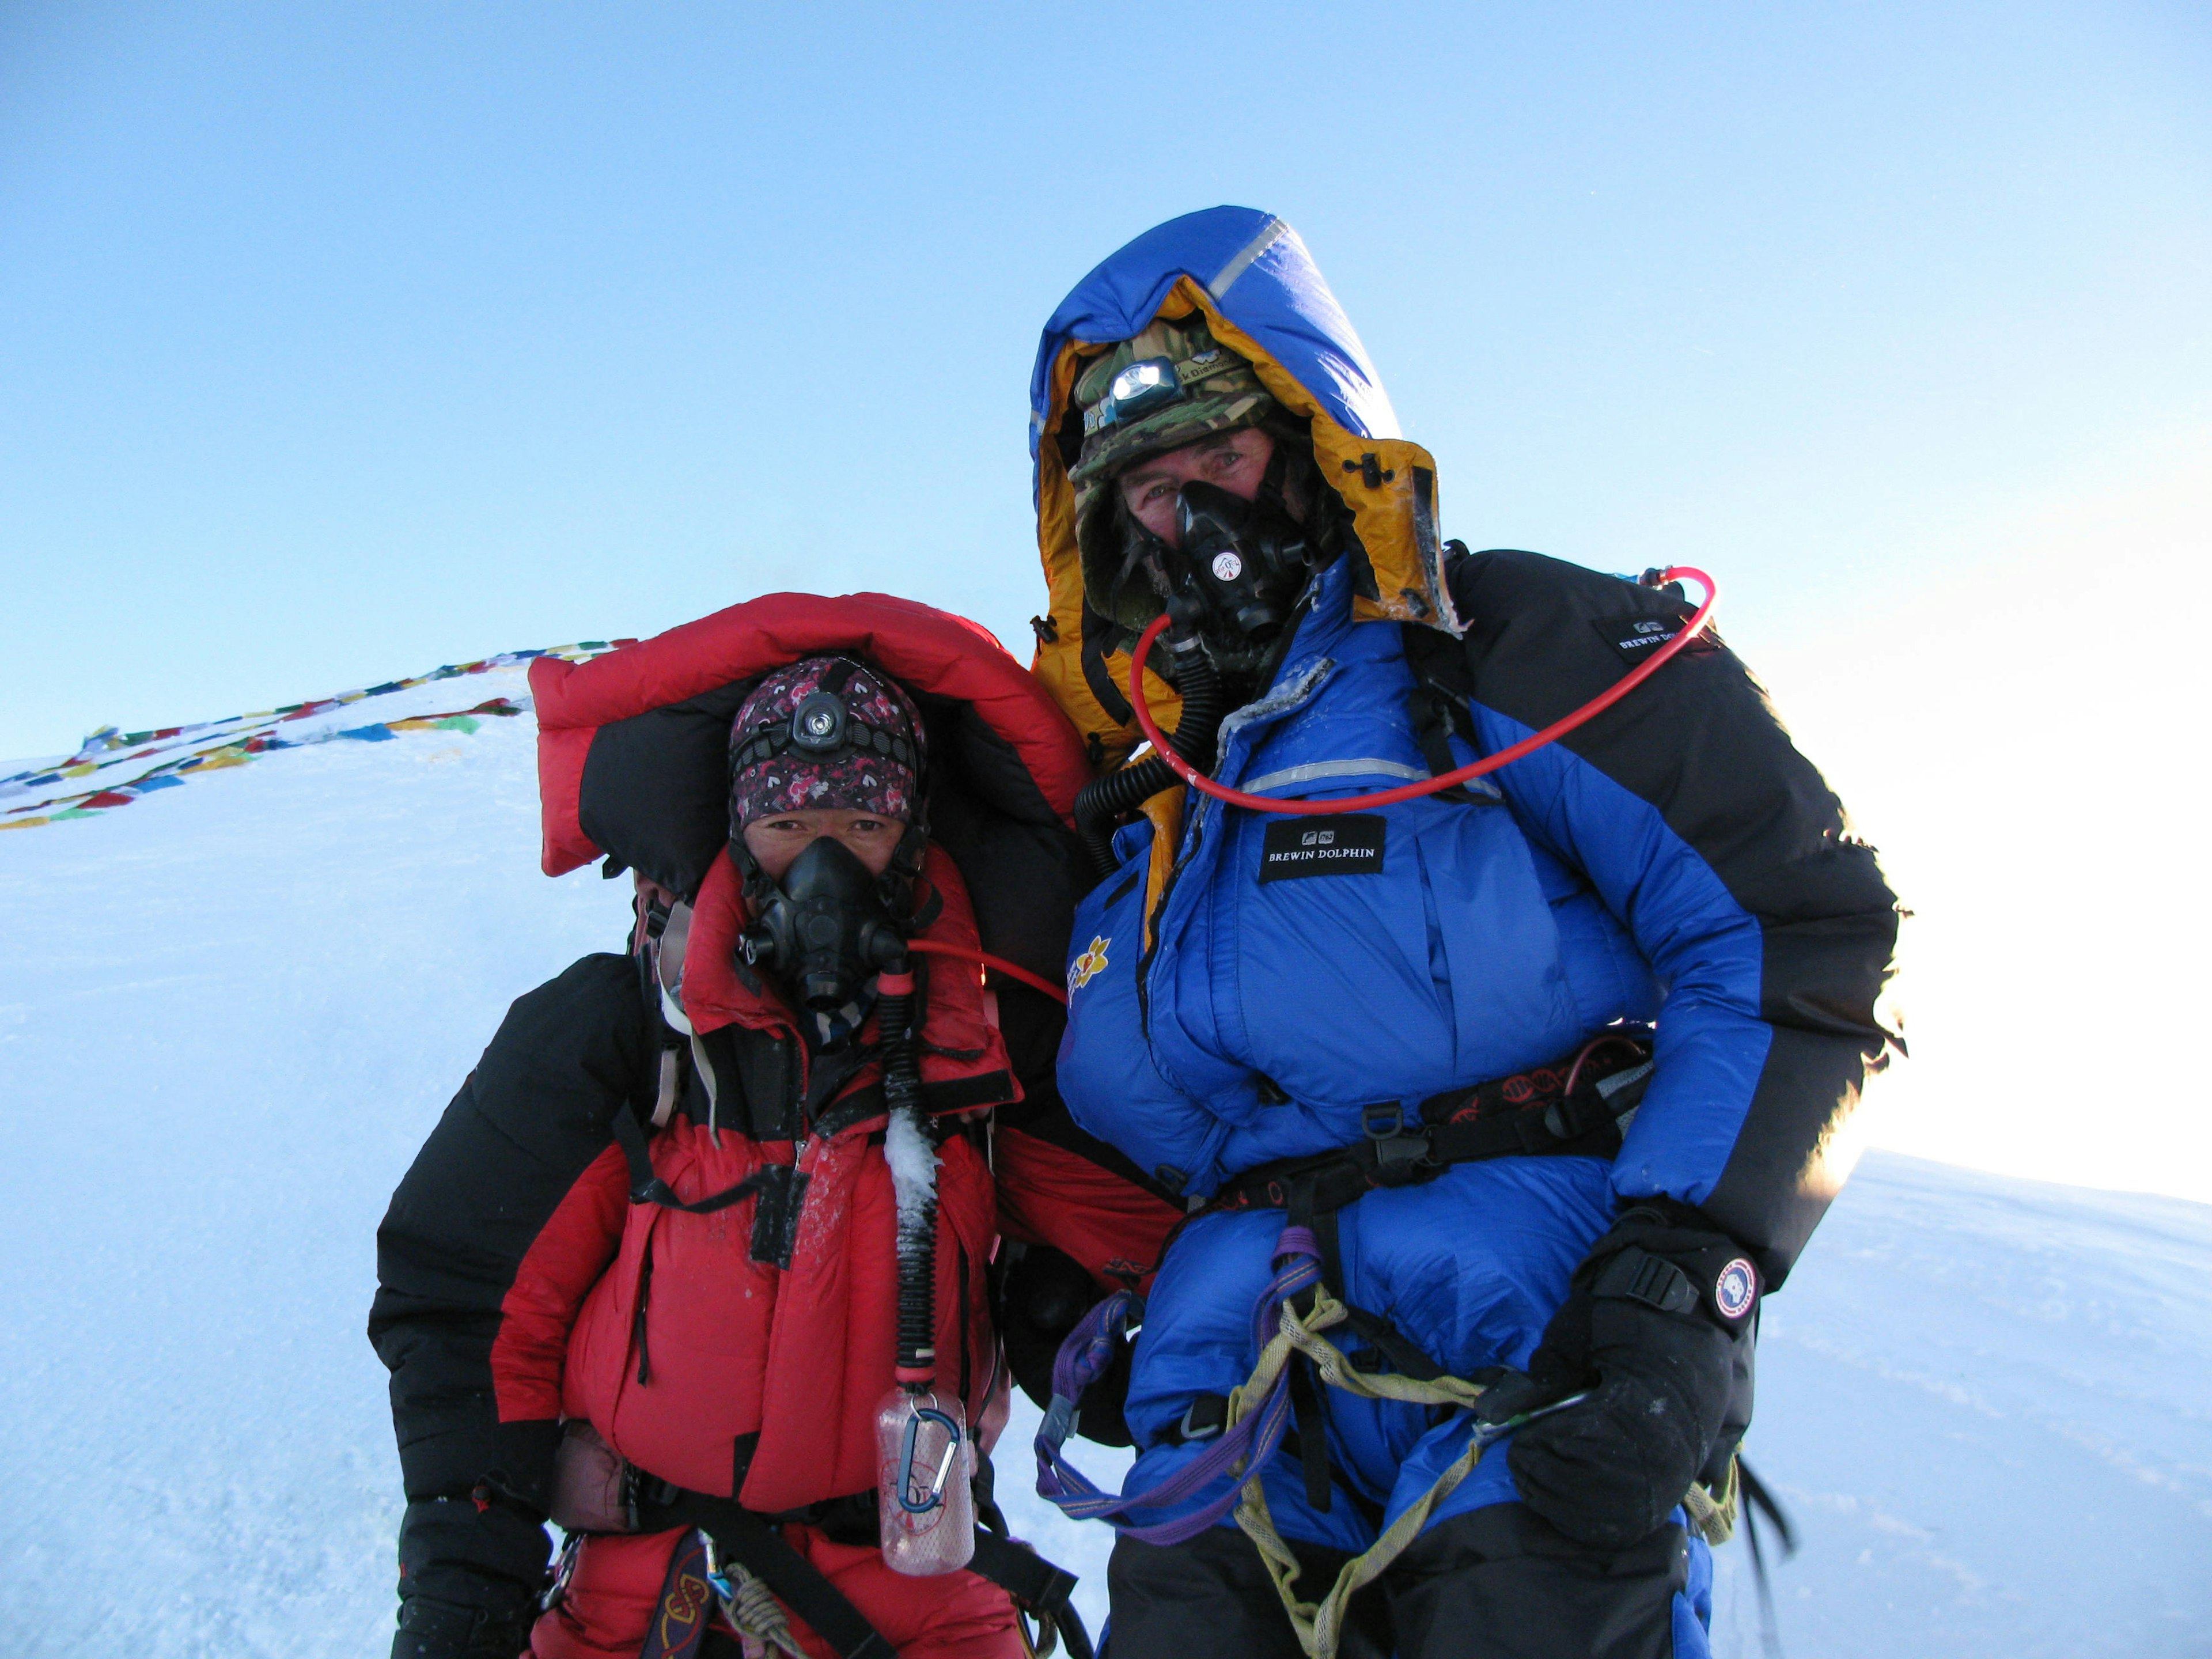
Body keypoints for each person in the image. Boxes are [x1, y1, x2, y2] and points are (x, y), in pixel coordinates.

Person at [1023, 209, 1904, 1657]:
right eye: (1152, 496)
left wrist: (1687, 1278)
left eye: (1224, 460)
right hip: (1224, 1408)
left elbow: (1791, 925)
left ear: (1310, 440)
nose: (1197, 523)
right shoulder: (1136, 806)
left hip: (1528, 1353)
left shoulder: (1499, 650)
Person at [370, 594, 1180, 1659]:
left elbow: (1152, 1240)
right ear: (737, 830)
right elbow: (468, 1298)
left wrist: (1088, 1328)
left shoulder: (992, 1046)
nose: (826, 867)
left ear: (913, 834)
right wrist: (466, 1574)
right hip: (653, 1588)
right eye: (791, 827)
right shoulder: (623, 1033)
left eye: (863, 825)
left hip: (919, 1584)